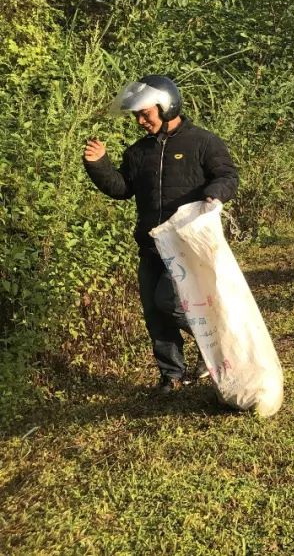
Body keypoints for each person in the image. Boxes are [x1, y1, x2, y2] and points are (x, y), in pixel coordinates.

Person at [83, 76, 239, 395]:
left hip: (186, 242)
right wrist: (99, 166)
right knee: (155, 315)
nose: (141, 121)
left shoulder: (202, 142)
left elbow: (227, 175)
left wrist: (214, 194)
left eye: (145, 113)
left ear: (166, 105)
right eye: (136, 116)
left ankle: (219, 342)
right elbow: (122, 188)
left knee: (169, 302)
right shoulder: (138, 153)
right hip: (151, 243)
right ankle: (171, 376)